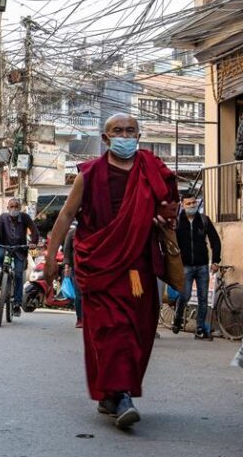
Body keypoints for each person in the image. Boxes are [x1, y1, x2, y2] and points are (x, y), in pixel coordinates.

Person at [44, 114, 179, 429]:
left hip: (139, 266)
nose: (125, 136)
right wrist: (53, 257)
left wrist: (164, 218)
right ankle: (120, 397)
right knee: (111, 330)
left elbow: (168, 205)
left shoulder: (151, 169)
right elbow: (66, 215)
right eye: (117, 131)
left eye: (131, 131)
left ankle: (110, 394)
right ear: (105, 139)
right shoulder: (89, 175)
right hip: (101, 264)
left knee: (138, 331)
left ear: (139, 135)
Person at [0, 198, 39, 316]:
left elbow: (34, 231)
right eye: (11, 206)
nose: (14, 209)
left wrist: (33, 242)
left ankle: (17, 304)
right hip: (4, 247)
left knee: (18, 274)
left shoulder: (25, 218)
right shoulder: (2, 218)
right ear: (7, 208)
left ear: (20, 208)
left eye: (16, 206)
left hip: (19, 249)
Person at [173, 194, 222, 340]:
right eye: (188, 203)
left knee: (203, 298)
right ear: (182, 205)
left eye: (194, 202)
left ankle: (200, 328)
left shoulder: (204, 220)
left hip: (202, 265)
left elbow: (215, 240)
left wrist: (215, 261)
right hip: (185, 266)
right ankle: (178, 317)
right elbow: (171, 243)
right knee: (185, 295)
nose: (192, 205)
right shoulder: (177, 222)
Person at [63, 223, 82, 328]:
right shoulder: (72, 233)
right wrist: (67, 266)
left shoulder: (95, 230)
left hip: (92, 267)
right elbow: (67, 251)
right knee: (79, 293)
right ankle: (80, 318)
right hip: (76, 267)